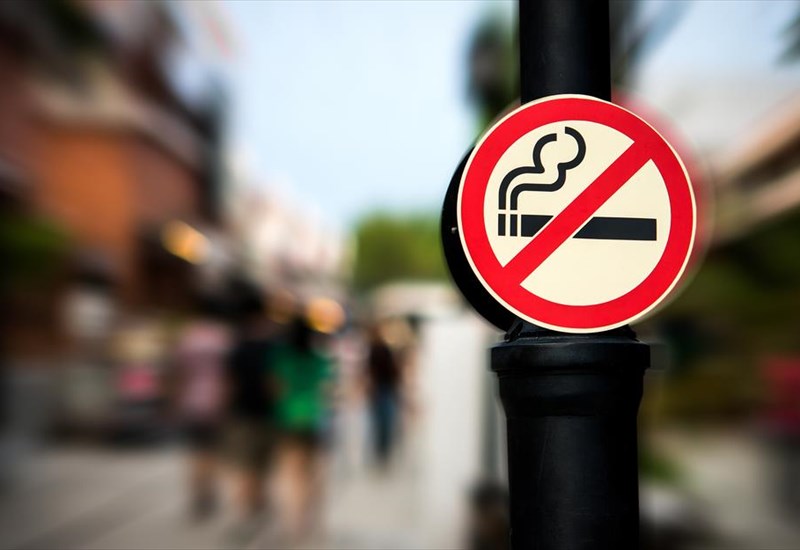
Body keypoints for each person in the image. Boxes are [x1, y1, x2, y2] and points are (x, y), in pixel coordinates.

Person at [271, 314, 332, 542]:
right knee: (314, 471)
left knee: (290, 472)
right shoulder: (319, 360)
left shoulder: (281, 359)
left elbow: (275, 389)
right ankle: (308, 516)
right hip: (314, 419)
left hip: (287, 418)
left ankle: (293, 521)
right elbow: (327, 391)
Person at [224, 283, 279, 534]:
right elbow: (275, 384)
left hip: (243, 412)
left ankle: (246, 512)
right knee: (263, 465)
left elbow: (230, 383)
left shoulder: (238, 347)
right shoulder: (273, 346)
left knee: (245, 465)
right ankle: (258, 504)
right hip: (268, 413)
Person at [172, 310, 230, 519]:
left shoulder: (188, 339)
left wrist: (175, 400)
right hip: (217, 402)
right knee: (212, 451)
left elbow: (180, 373)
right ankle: (209, 493)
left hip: (191, 402)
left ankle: (198, 494)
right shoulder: (223, 339)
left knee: (195, 451)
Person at [364, 322, 402, 468]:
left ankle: (382, 452)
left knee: (382, 423)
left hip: (384, 389)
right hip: (383, 390)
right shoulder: (377, 350)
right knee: (382, 423)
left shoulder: (381, 350)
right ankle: (381, 452)